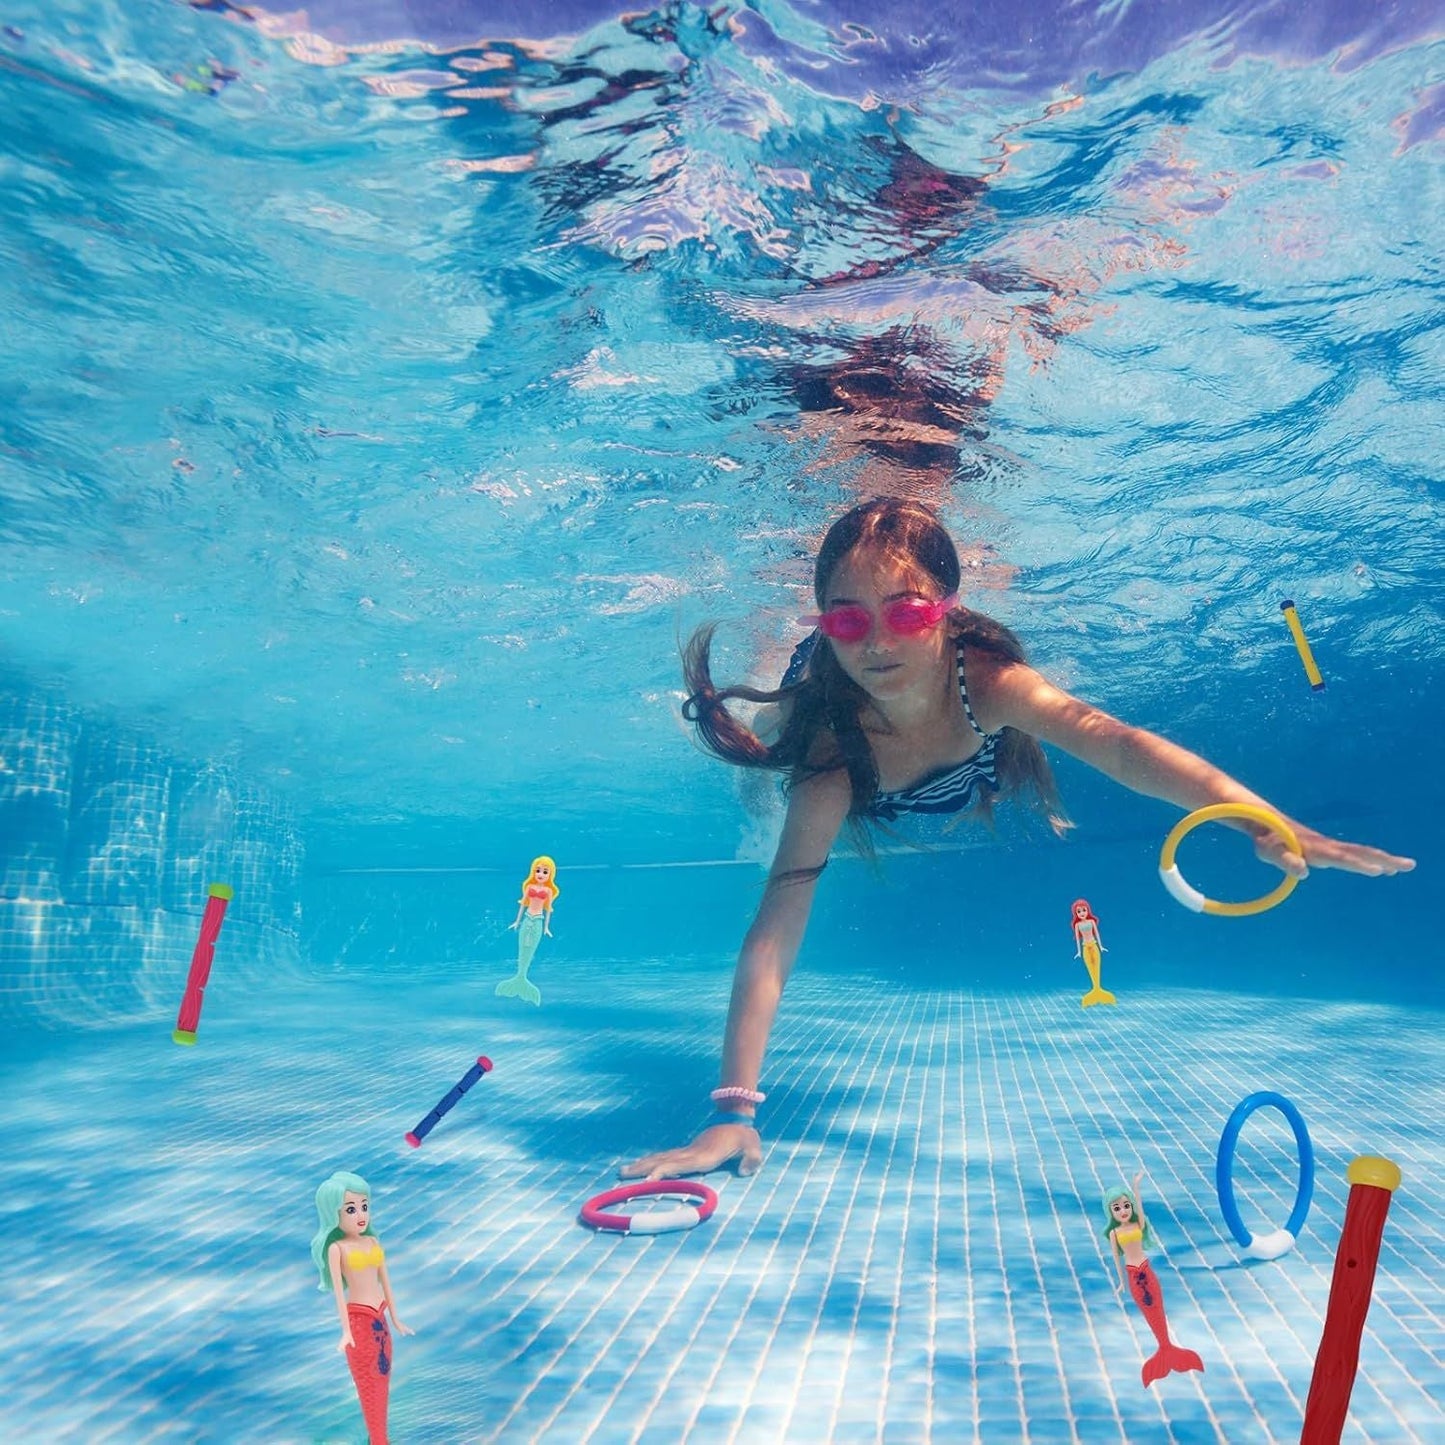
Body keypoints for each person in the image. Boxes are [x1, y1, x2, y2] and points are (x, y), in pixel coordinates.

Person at [620, 497, 1415, 1183]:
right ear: (825, 623)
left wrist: (1263, 821)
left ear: (947, 608)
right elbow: (776, 925)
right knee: (768, 748)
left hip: (961, 761)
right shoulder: (830, 750)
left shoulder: (990, 681)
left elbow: (1119, 747)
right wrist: (731, 1110)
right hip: (850, 748)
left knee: (941, 776)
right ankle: (776, 717)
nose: (878, 641)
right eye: (848, 619)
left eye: (907, 611)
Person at [311, 1170, 415, 1445]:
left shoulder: (373, 1241)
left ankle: (378, 1438)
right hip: (359, 1324)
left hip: (381, 1321)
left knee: (381, 1385)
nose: (361, 1215)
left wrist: (396, 1318)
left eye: (364, 1206)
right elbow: (339, 1294)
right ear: (334, 1213)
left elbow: (386, 1283)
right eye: (351, 1209)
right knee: (368, 1387)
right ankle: (379, 1440)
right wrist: (345, 1331)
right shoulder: (337, 1248)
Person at [1105, 1172, 1204, 1387]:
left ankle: (1168, 1348)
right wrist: (1121, 1282)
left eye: (1126, 1206)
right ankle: (1164, 1350)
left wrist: (1136, 1187)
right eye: (1117, 1208)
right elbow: (1116, 1259)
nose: (1123, 1211)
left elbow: (1140, 1208)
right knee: (1149, 1312)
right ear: (1111, 1212)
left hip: (1147, 1271)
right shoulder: (1114, 1233)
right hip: (1133, 1275)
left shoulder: (1137, 1224)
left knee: (1158, 1308)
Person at [496, 855, 559, 1005]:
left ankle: (523, 979)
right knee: (522, 947)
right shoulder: (529, 887)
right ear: (533, 871)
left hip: (538, 921)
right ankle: (518, 978)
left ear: (550, 875)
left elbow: (548, 910)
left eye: (545, 871)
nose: (541, 874)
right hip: (527, 919)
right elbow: (523, 904)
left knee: (531, 948)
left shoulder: (548, 891)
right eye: (538, 870)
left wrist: (546, 927)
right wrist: (517, 921)